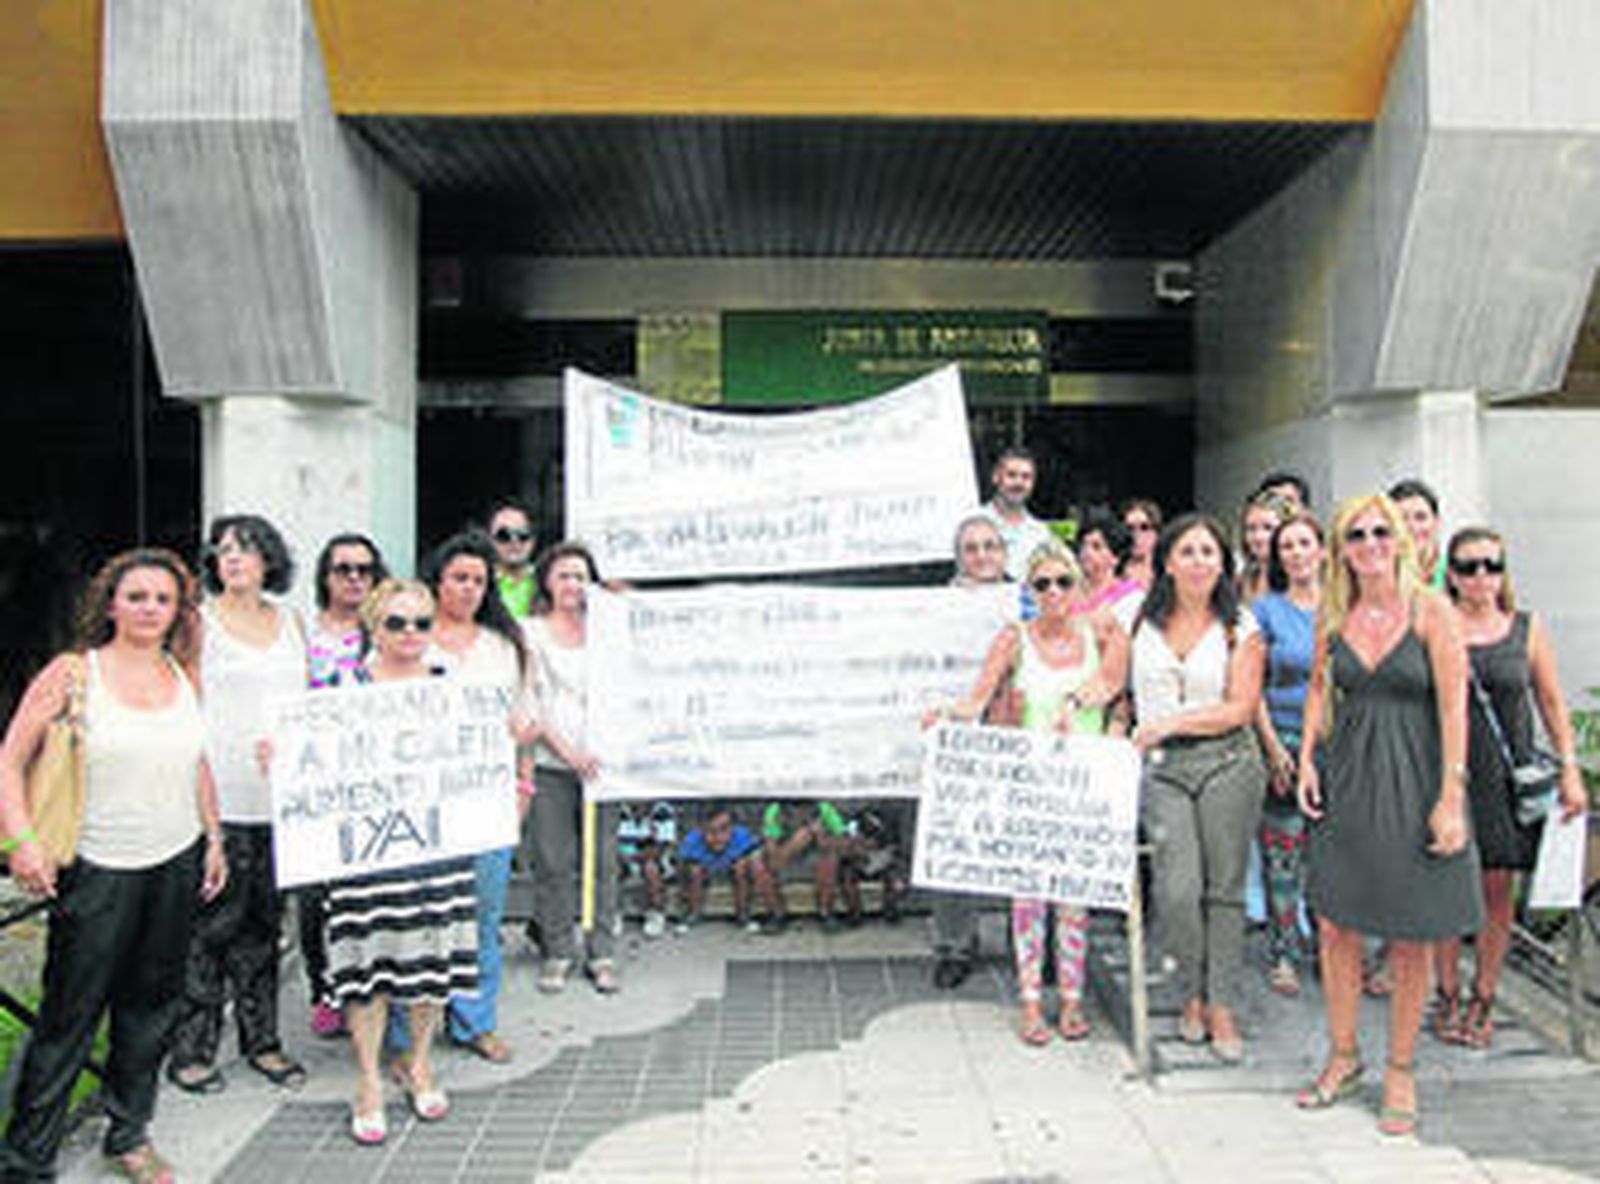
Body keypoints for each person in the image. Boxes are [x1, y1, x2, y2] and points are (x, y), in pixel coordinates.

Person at [0, 549, 226, 1184]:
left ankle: (130, 1133)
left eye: (163, 599)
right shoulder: (74, 673)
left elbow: (196, 760)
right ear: (111, 603)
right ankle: (27, 1159)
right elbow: (9, 759)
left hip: (174, 862)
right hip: (99, 867)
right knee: (69, 1016)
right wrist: (22, 842)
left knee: (152, 1007)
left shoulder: (184, 672)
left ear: (178, 610)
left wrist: (212, 834)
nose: (150, 609)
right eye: (137, 596)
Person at [1295, 494, 1481, 1136]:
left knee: (1411, 933)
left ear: (1399, 539)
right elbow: (1320, 687)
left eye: (1380, 531)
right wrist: (1307, 757)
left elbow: (1455, 709)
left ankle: (1400, 1068)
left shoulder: (1433, 612)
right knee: (1335, 926)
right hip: (1347, 779)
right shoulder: (1334, 612)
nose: (1369, 542)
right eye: (1356, 534)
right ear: (1341, 547)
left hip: (1417, 779)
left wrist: (1451, 796)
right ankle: (1343, 1056)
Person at [937, 540, 1126, 1044]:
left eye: (1063, 581)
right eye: (1042, 583)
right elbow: (976, 700)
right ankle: (1028, 1002)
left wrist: (1094, 719)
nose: (1054, 592)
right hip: (1029, 786)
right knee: (1027, 900)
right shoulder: (1013, 638)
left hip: (1081, 787)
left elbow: (1114, 690)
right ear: (1029, 590)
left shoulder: (1099, 633)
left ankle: (1070, 1000)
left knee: (1073, 901)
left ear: (1077, 585)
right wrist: (944, 715)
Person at [321, 578, 479, 1145]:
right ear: (371, 625)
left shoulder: (452, 686)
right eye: (396, 623)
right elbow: (315, 761)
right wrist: (282, 754)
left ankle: (418, 1063)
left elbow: (475, 752)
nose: (410, 634)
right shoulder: (343, 685)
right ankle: (367, 1079)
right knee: (370, 968)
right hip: (366, 854)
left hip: (437, 850)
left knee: (431, 964)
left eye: (420, 623)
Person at [1431, 527, 1589, 1047]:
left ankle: (1485, 997)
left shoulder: (1526, 628)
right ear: (1452, 575)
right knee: (1449, 890)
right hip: (1451, 774)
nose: (1482, 577)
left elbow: (1551, 701)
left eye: (1492, 565)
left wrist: (1568, 768)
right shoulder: (1437, 624)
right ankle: (1448, 993)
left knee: (1498, 890)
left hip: (1507, 779)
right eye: (1470, 566)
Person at [168, 515, 305, 1095]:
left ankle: (263, 1039)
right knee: (209, 927)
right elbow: (183, 704)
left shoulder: (291, 620)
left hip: (277, 797)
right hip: (217, 794)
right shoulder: (198, 623)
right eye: (223, 551)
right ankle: (192, 1048)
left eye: (245, 550)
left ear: (268, 560)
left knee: (263, 925)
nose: (233, 559)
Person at [1125, 513, 1266, 1063]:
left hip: (1228, 763)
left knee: (1224, 889)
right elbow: (1107, 679)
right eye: (1188, 551)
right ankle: (1190, 991)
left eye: (1209, 551)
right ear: (1166, 561)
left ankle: (1221, 1002)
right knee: (1177, 889)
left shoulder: (1242, 626)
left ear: (1223, 562)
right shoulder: (1138, 620)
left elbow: (1240, 708)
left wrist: (1172, 722)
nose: (1199, 561)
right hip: (1162, 770)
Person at [399, 530, 532, 1064]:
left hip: (486, 802)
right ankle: (407, 1038)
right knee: (419, 919)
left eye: (480, 580)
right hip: (418, 806)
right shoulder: (410, 638)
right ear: (437, 581)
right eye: (459, 577)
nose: (469, 588)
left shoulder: (504, 646)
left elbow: (522, 720)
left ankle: (475, 1021)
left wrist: (524, 782)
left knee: (481, 916)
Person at [524, 542, 622, 993]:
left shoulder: (607, 631)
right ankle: (557, 949)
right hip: (550, 763)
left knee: (602, 861)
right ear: (547, 580)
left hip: (602, 769)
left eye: (581, 576)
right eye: (564, 575)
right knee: (553, 859)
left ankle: (601, 951)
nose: (572, 585)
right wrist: (568, 754)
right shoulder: (530, 632)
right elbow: (531, 705)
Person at [301, 533, 389, 1038]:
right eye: (343, 569)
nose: (355, 578)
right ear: (325, 577)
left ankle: (375, 988)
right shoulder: (302, 632)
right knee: (317, 899)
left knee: (374, 896)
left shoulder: (391, 629)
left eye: (364, 569)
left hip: (377, 784)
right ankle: (325, 988)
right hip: (319, 785)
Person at [928, 515, 1012, 989]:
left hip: (1016, 732)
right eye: (972, 549)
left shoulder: (1031, 596)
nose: (982, 556)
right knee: (954, 840)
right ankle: (955, 945)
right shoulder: (937, 607)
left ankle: (1031, 944)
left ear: (1004, 552)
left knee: (1022, 840)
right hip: (957, 736)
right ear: (959, 556)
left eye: (990, 547)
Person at [1251, 511, 1325, 997]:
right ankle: (1283, 949)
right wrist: (1273, 746)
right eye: (1287, 547)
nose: (1297, 554)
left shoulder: (1344, 608)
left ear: (1321, 549)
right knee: (1283, 853)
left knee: (1333, 853)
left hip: (1336, 743)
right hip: (1283, 736)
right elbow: (1249, 685)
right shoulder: (1265, 610)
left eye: (1304, 544)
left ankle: (1330, 944)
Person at [676, 804, 781, 930]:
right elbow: (682, 866)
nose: (718, 837)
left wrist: (747, 862)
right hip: (705, 868)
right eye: (712, 832)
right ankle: (692, 913)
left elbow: (755, 855)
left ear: (732, 828)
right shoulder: (693, 841)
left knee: (741, 869)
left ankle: (743, 914)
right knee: (694, 872)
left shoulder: (741, 836)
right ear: (702, 830)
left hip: (732, 866)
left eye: (724, 830)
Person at [979, 447, 1053, 582]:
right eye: (1011, 475)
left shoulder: (1041, 534)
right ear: (996, 477)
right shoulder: (973, 524)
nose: (1018, 483)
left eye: (1026, 477)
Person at [1072, 507, 1144, 631]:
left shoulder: (1131, 598)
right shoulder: (1067, 594)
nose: (1086, 552)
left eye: (1097, 547)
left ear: (1115, 558)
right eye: (1083, 545)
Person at [617, 801, 678, 938]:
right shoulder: (618, 809)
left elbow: (660, 848)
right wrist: (621, 856)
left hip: (656, 861)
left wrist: (632, 857)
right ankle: (612, 913)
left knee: (650, 868)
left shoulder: (662, 811)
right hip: (623, 857)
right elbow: (611, 842)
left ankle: (655, 913)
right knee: (611, 867)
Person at [1388, 477, 1446, 590]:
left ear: (1437, 523)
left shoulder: (1456, 572)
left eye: (1421, 517)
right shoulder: (1376, 575)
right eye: (1402, 518)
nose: (1411, 527)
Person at [487, 497, 539, 620]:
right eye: (504, 535)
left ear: (533, 540)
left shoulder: (549, 583)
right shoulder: (478, 584)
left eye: (522, 535)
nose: (514, 542)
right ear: (489, 540)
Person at [1237, 490, 1292, 605]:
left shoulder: (1295, 578)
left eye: (1268, 528)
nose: (1258, 537)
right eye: (1251, 528)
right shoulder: (1241, 581)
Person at [1120, 497, 1163, 589]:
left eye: (1144, 528)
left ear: (1156, 533)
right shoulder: (1114, 573)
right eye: (1130, 528)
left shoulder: (1167, 573)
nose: (1136, 534)